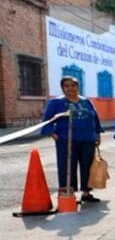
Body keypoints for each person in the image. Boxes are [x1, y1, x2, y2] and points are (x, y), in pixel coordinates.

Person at [40, 75, 103, 203]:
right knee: (67, 167)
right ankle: (69, 194)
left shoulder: (86, 101)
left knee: (88, 166)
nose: (70, 88)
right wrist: (53, 134)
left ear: (78, 87)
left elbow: (94, 118)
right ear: (62, 88)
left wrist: (97, 134)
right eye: (66, 86)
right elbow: (47, 121)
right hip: (66, 141)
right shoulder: (56, 102)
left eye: (73, 85)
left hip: (87, 139)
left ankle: (86, 193)